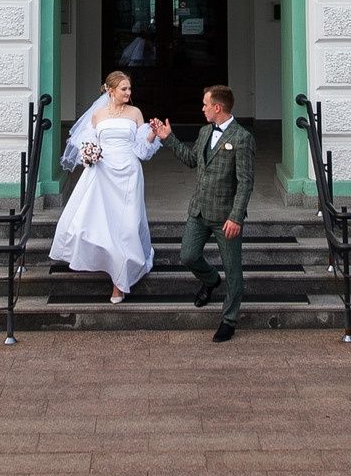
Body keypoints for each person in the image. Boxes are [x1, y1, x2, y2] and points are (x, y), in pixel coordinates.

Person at [150, 84, 254, 342]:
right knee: (187, 255)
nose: (203, 108)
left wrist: (236, 216)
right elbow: (191, 159)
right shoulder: (205, 131)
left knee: (233, 270)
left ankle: (229, 320)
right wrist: (168, 138)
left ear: (217, 107)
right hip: (199, 209)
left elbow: (245, 182)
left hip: (225, 217)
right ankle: (210, 280)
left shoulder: (242, 138)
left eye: (206, 104)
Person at [49, 71, 162, 304]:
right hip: (102, 172)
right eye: (124, 89)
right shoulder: (98, 115)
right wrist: (89, 154)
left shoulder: (136, 113)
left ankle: (120, 281)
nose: (128, 93)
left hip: (129, 172)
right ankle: (110, 268)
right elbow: (86, 144)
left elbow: (142, 150)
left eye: (130, 89)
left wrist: (152, 135)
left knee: (127, 226)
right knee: (101, 223)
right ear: (111, 91)